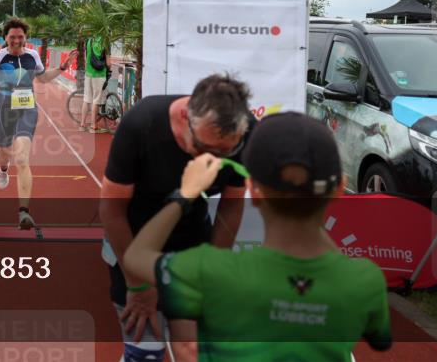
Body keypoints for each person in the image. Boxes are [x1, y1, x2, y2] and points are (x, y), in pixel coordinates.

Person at [123, 112, 393, 360]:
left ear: (253, 188)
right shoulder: (365, 280)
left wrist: (185, 193)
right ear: (340, 189)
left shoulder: (211, 272)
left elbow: (136, 256)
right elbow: (379, 338)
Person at [99, 73, 254, 362]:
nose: (211, 160)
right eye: (203, 147)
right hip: (132, 241)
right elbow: (111, 208)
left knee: (195, 351)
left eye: (225, 152)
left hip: (190, 243)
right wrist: (138, 285)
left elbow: (231, 207)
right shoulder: (141, 124)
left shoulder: (245, 134)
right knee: (145, 353)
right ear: (185, 116)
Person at [0, 17, 71, 229]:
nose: (16, 40)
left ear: (25, 38)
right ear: (6, 38)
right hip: (3, 109)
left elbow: (42, 79)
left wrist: (61, 68)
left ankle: (24, 213)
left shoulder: (33, 56)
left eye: (20, 37)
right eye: (12, 37)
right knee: (5, 153)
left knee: (23, 158)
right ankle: (3, 169)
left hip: (27, 108)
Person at [80, 34, 109, 133]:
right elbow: (108, 62)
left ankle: (82, 124)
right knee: (96, 100)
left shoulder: (90, 39)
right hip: (99, 74)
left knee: (86, 99)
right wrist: (110, 69)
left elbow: (86, 57)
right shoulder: (105, 40)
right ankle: (93, 126)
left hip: (88, 73)